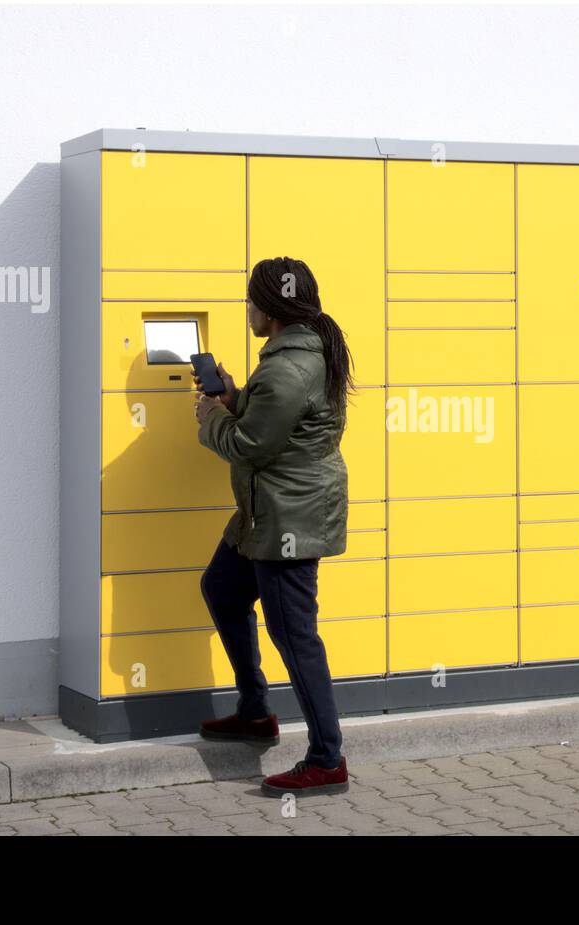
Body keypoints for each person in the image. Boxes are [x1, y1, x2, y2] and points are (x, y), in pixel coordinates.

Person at [193, 256, 352, 797]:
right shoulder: (302, 353)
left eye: (252, 301)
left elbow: (251, 445)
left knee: (295, 635)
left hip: (288, 519)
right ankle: (256, 710)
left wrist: (213, 418)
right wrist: (239, 399)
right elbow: (277, 422)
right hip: (265, 514)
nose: (248, 310)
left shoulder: (287, 367)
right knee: (221, 587)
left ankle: (327, 758)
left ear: (273, 309)